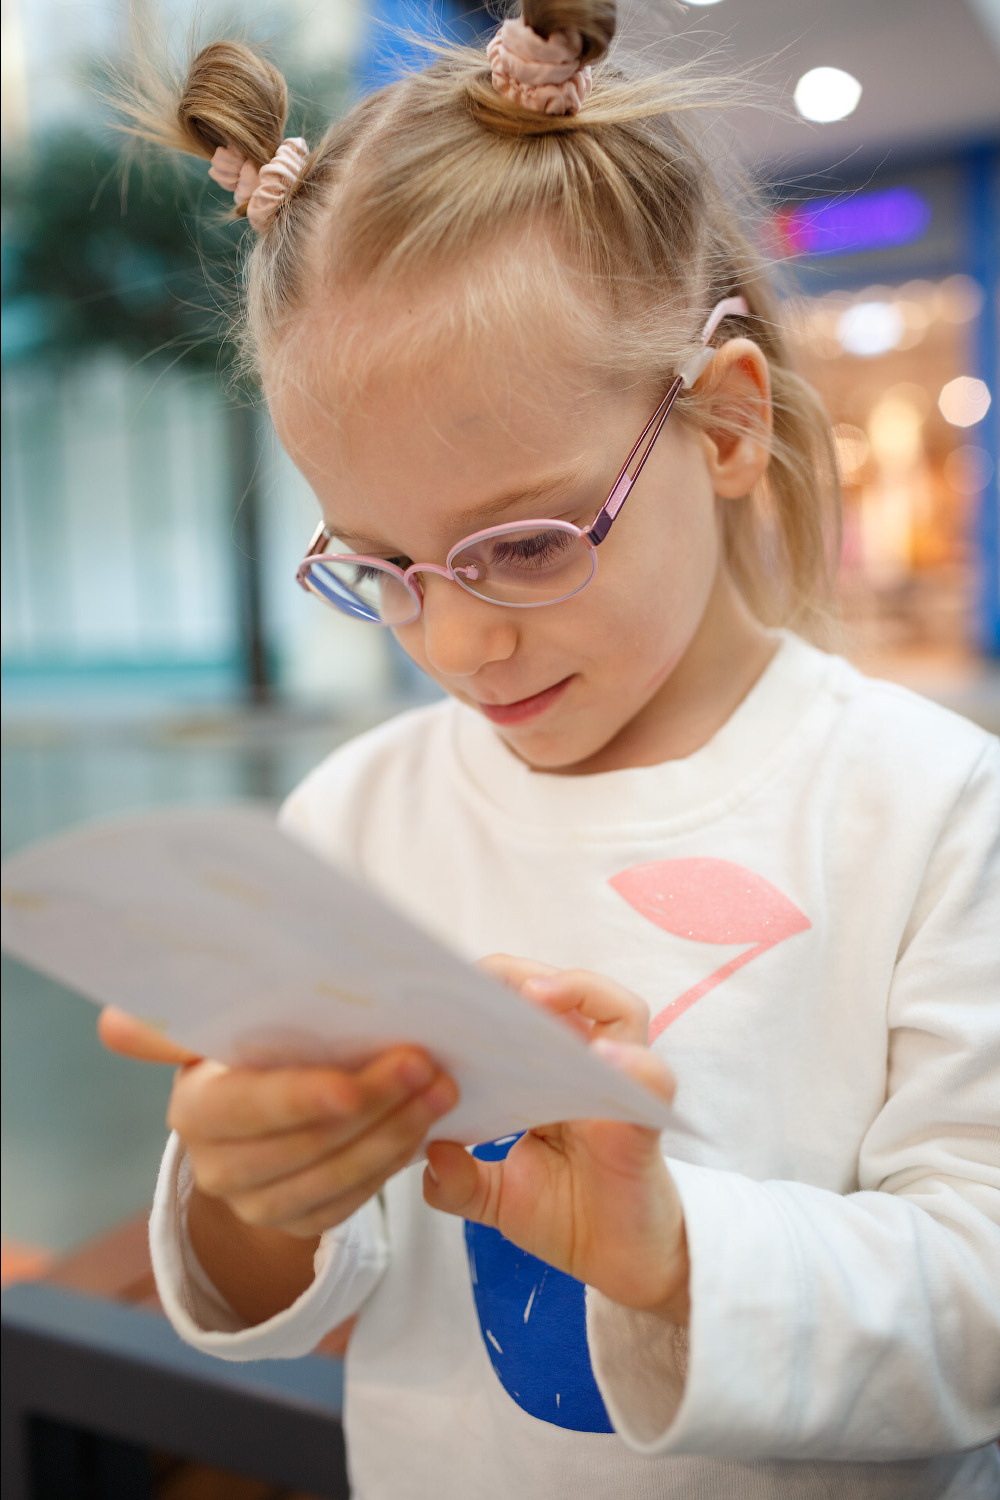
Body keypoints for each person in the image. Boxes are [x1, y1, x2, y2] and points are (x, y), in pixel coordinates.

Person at [100, 3, 1000, 1495]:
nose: (455, 647)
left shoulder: (928, 810)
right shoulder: (359, 814)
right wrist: (258, 1191)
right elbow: (287, 1296)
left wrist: (673, 1252)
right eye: (383, 569)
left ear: (721, 426)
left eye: (522, 546)